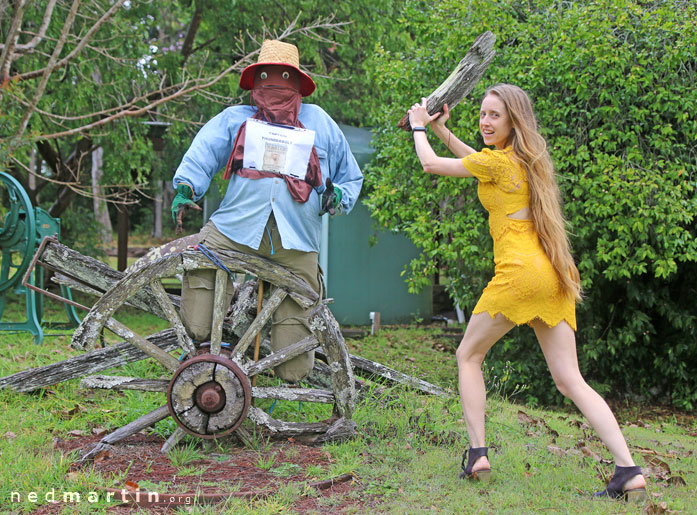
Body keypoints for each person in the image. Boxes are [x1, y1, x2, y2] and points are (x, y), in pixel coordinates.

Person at [406, 84, 646, 502]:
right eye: (482, 114)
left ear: (513, 121)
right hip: (553, 274)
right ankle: (628, 469)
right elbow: (475, 162)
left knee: (468, 355)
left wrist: (417, 128)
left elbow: (429, 164)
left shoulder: (501, 162)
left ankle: (478, 453)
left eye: (494, 115)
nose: (484, 121)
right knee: (571, 380)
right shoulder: (522, 160)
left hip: (519, 275)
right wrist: (442, 130)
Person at [172, 39, 363, 382]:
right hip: (234, 231)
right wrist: (186, 187)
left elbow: (351, 176)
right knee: (198, 311)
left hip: (296, 241)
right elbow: (203, 152)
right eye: (267, 76)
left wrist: (339, 196)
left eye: (283, 76)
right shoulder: (235, 119)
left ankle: (277, 371)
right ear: (256, 81)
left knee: (294, 365)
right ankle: (212, 349)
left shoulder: (319, 121)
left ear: (297, 82)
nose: (275, 84)